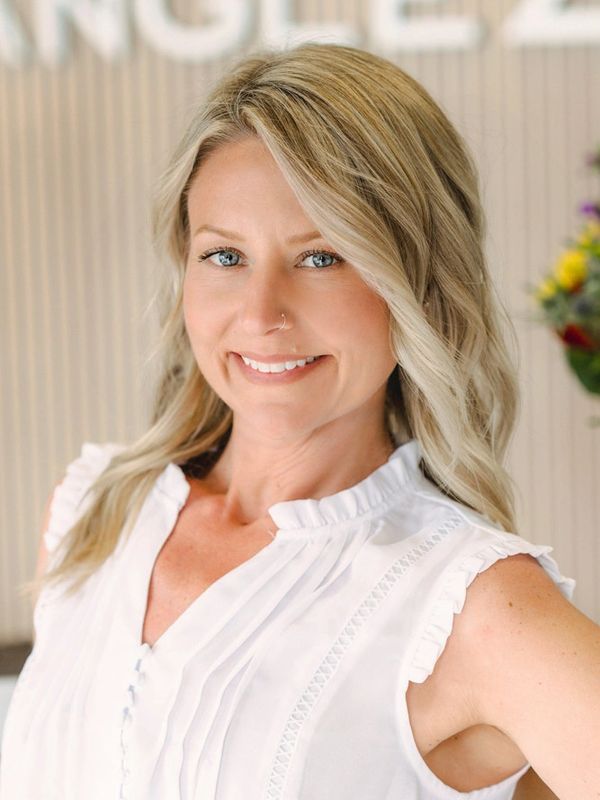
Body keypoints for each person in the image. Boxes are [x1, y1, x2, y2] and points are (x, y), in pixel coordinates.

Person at [1, 41, 598, 800]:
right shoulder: (92, 511)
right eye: (224, 256)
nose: (260, 314)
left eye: (321, 258)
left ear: (418, 281)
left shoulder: (478, 608)